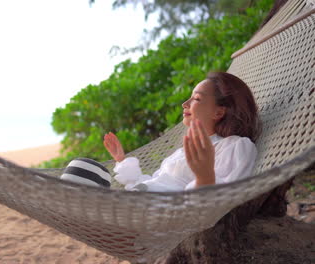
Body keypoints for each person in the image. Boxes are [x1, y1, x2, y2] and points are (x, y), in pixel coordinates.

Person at [103, 72, 260, 191]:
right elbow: (152, 182)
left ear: (218, 112)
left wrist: (204, 178)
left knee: (82, 176)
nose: (185, 103)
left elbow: (224, 197)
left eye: (196, 99)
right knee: (82, 169)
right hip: (137, 202)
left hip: (160, 215)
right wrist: (122, 161)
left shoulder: (234, 146)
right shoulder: (182, 152)